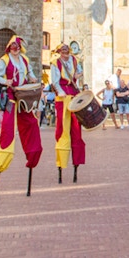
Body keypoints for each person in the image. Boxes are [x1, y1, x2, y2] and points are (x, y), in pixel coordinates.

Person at [0, 35, 43, 174]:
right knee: (8, 128)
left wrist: (31, 78)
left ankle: (33, 154)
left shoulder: (24, 60)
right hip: (11, 96)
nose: (15, 49)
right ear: (10, 48)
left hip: (23, 95)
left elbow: (29, 72)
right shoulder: (5, 60)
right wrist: (4, 81)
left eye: (18, 47)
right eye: (13, 47)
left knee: (31, 123)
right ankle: (2, 160)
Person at [50, 43, 85, 174]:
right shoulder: (55, 63)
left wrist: (78, 76)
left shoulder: (75, 60)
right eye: (62, 50)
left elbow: (80, 72)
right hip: (63, 96)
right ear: (59, 52)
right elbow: (55, 81)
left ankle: (77, 160)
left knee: (76, 128)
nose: (65, 52)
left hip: (74, 94)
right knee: (62, 128)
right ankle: (62, 159)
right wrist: (60, 92)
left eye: (66, 50)